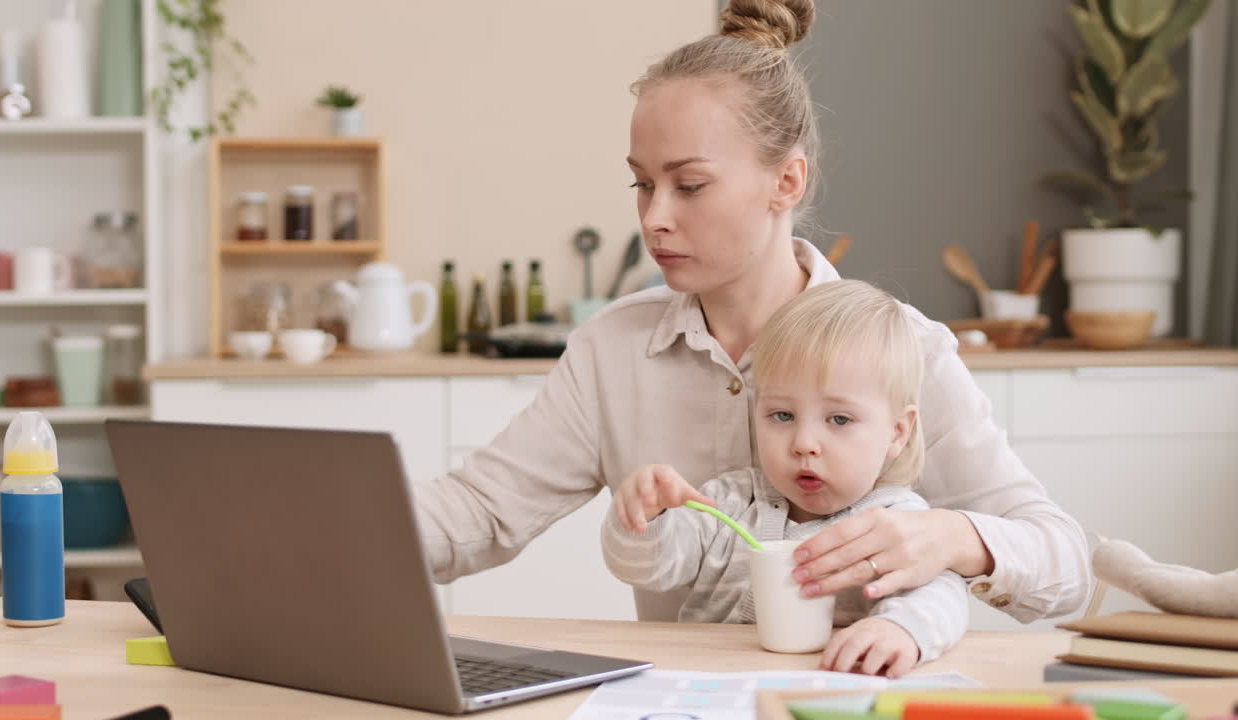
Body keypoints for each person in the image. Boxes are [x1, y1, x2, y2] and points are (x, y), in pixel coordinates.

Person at [417, 0, 1089, 625]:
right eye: (643, 185)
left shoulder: (906, 350)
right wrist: (327, 534)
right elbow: (480, 512)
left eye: (690, 186)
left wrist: (950, 537)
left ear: (786, 181)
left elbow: (1065, 565)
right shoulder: (611, 349)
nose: (655, 218)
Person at [602, 280, 968, 677]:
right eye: (782, 416)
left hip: (831, 690)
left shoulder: (895, 522)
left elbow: (942, 595)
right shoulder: (729, 501)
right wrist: (644, 516)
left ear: (897, 432)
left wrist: (899, 629)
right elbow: (645, 568)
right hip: (711, 688)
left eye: (839, 419)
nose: (804, 443)